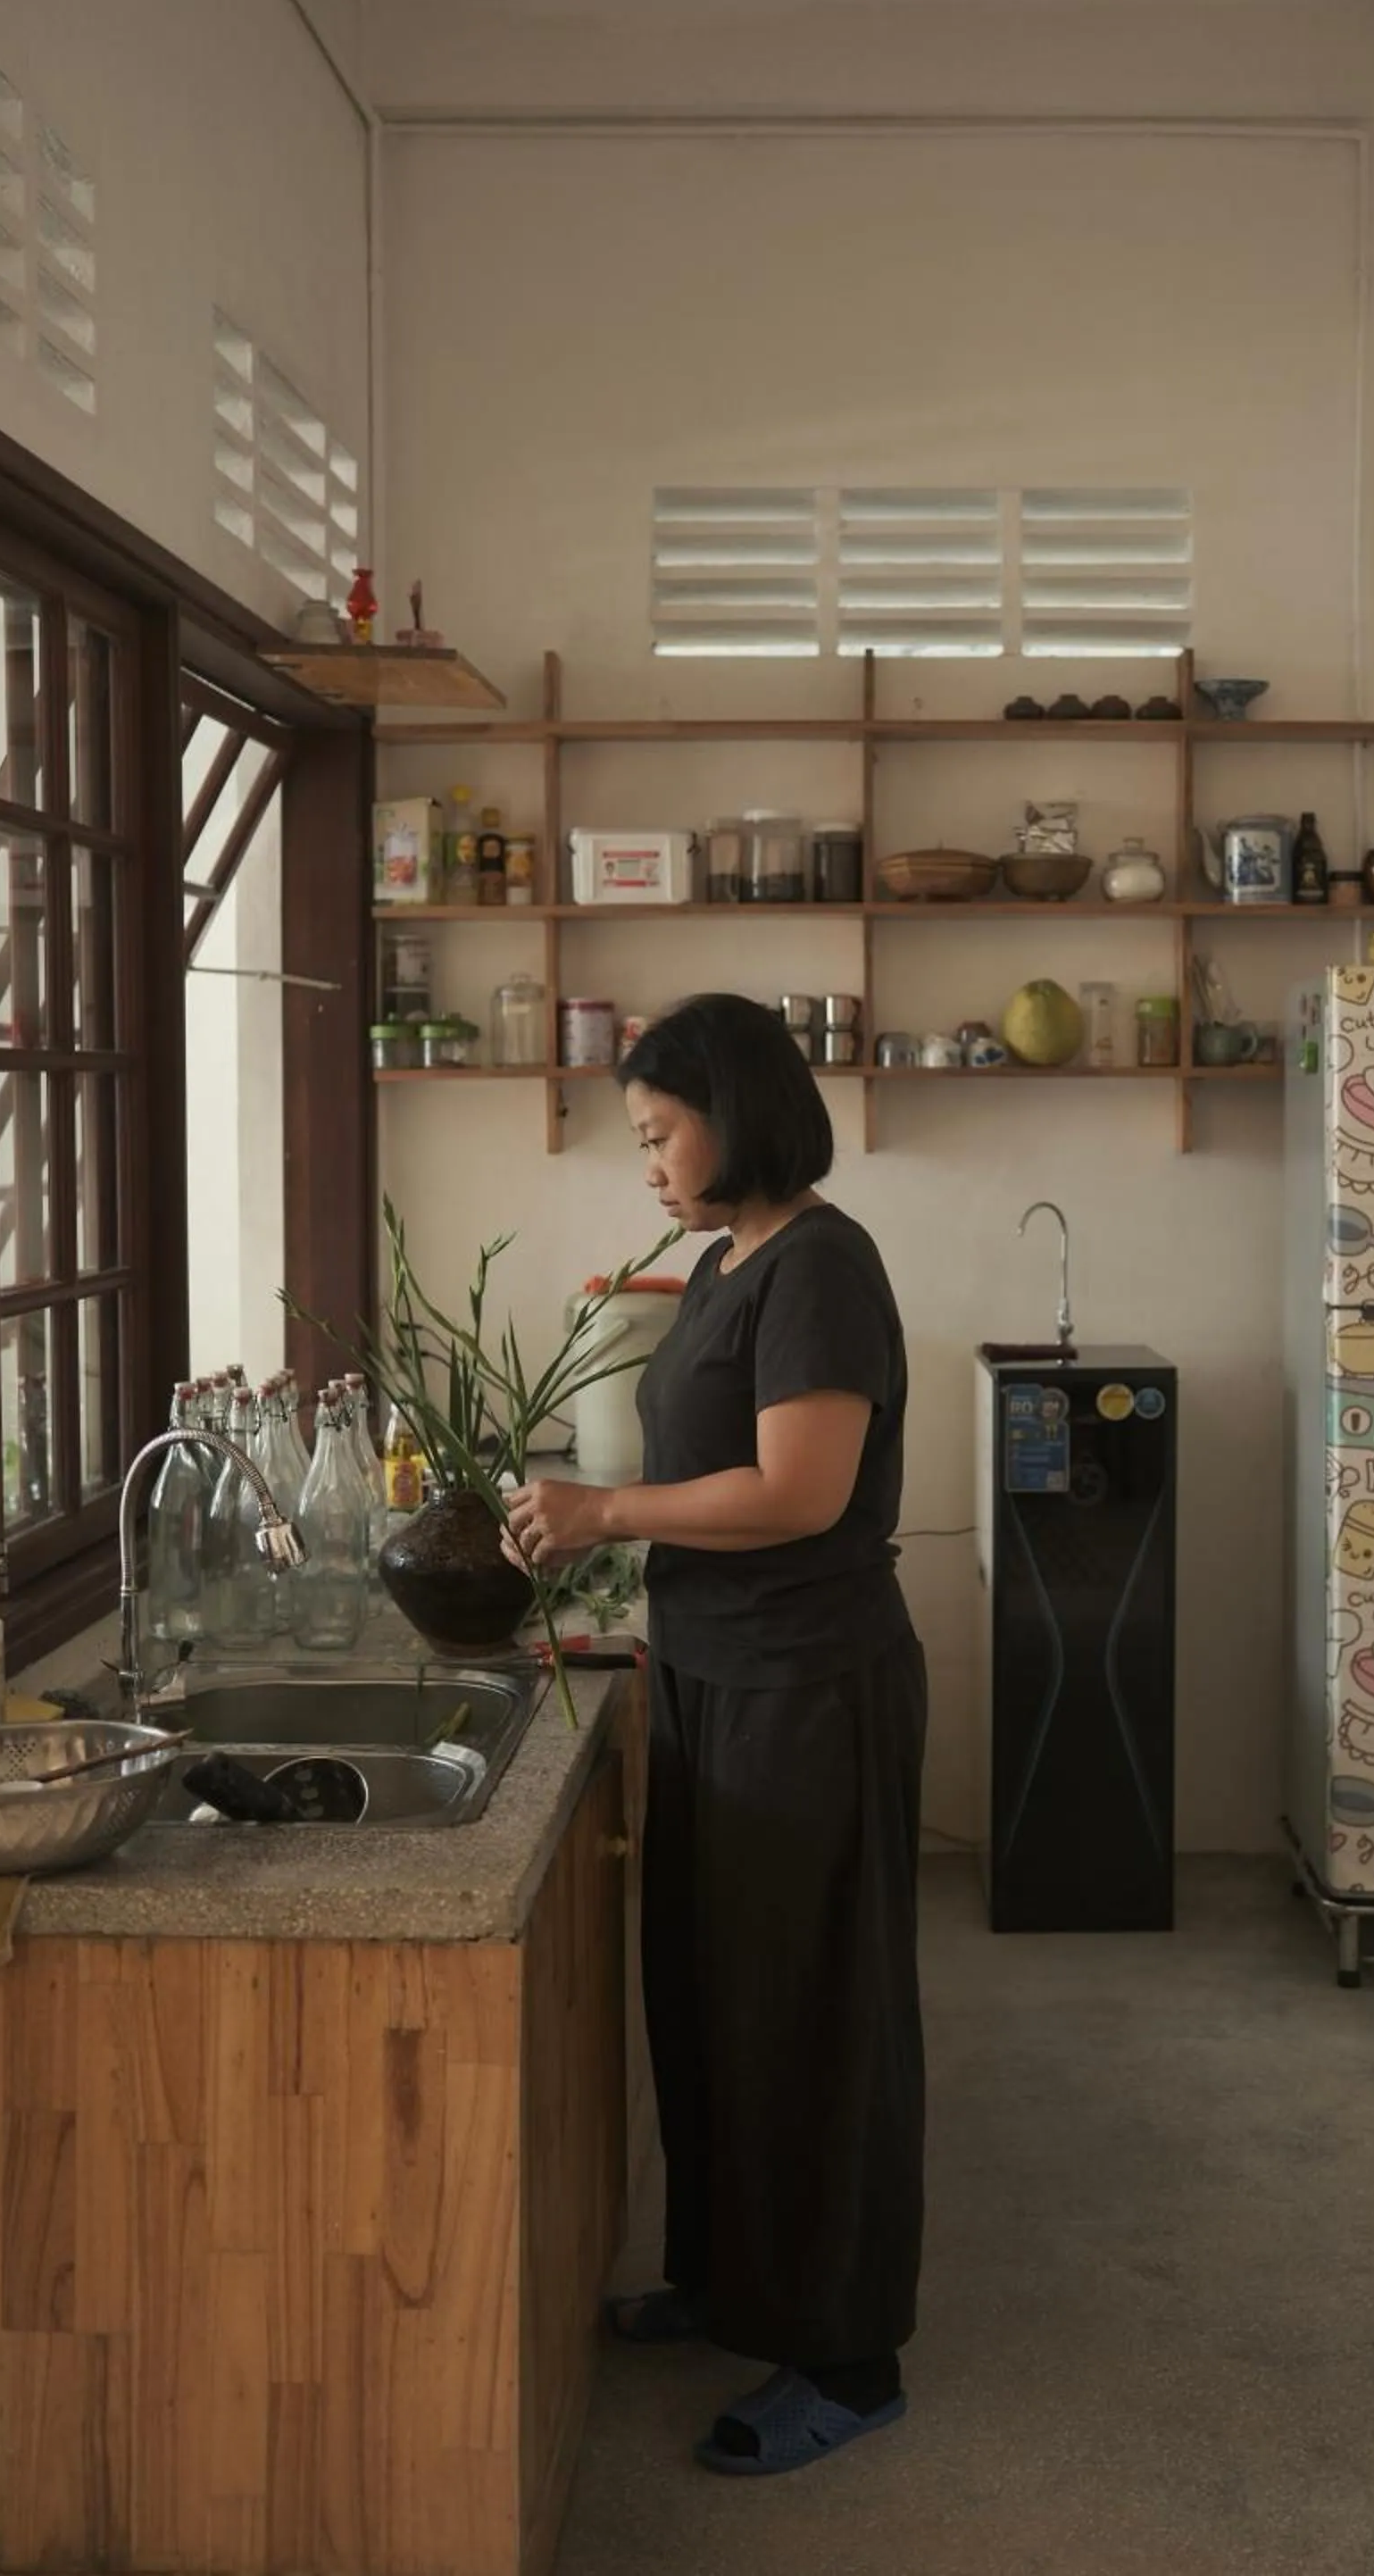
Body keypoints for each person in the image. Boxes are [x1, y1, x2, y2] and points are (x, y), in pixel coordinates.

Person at [504, 992, 927, 2478]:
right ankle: (730, 2280)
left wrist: (608, 1514)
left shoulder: (823, 1266)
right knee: (708, 2000)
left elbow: (801, 1492)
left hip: (806, 1685)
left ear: (736, 1115)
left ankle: (849, 2355)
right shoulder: (722, 1258)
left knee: (812, 2018)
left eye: (661, 1132)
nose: (649, 1163)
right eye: (642, 1139)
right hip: (712, 1671)